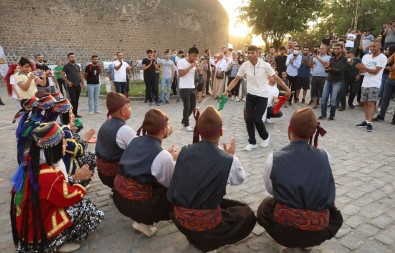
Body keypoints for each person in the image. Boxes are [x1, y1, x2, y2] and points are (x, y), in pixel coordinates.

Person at [167, 105, 256, 252]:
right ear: (221, 131)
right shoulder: (228, 159)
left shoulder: (184, 151)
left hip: (179, 217)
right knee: (247, 214)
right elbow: (239, 180)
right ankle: (209, 241)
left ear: (199, 131)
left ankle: (195, 237)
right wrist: (231, 157)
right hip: (207, 224)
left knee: (222, 203)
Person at [257, 108, 343, 252]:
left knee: (265, 206)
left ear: (289, 129)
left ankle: (288, 243)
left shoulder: (274, 158)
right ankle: (308, 243)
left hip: (285, 230)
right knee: (331, 208)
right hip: (318, 230)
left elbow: (271, 189)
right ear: (313, 132)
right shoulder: (325, 155)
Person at [10, 122, 104, 253]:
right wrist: (80, 183)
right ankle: (55, 243)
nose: (65, 145)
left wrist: (75, 179)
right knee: (85, 209)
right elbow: (67, 197)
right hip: (36, 231)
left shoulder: (35, 166)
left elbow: (58, 188)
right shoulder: (47, 175)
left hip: (31, 225)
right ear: (52, 147)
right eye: (63, 143)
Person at [113, 109, 178, 237]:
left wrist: (166, 155)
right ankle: (144, 221)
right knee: (178, 190)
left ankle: (142, 219)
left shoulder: (134, 140)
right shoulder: (162, 156)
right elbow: (170, 183)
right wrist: (174, 161)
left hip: (118, 197)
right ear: (164, 130)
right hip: (139, 207)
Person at [224, 45, 291, 151]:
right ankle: (252, 142)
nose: (250, 55)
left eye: (252, 53)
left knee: (257, 119)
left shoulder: (265, 65)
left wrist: (287, 89)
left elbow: (276, 78)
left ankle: (265, 137)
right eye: (248, 53)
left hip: (262, 96)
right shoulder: (245, 65)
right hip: (250, 96)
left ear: (257, 53)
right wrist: (227, 90)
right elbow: (236, 79)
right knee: (248, 118)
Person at [95, 92, 136, 190]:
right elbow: (139, 151)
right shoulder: (125, 130)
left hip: (102, 173)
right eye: (129, 107)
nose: (131, 109)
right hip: (115, 174)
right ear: (123, 112)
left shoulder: (105, 124)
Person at [355, 40, 388, 132]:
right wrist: (359, 70)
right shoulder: (366, 57)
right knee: (365, 103)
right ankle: (366, 120)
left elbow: (375, 72)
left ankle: (370, 122)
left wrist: (364, 68)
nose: (372, 48)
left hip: (375, 83)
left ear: (380, 46)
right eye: (371, 46)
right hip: (365, 82)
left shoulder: (382, 57)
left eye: (374, 46)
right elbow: (363, 70)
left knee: (371, 103)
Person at [319, 43, 347, 120]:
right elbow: (327, 71)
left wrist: (330, 69)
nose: (336, 50)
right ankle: (323, 114)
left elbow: (341, 71)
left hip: (338, 81)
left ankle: (332, 115)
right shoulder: (331, 59)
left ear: (341, 49)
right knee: (324, 98)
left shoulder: (344, 59)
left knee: (333, 99)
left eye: (338, 48)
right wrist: (326, 67)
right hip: (328, 80)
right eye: (335, 49)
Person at [178, 46, 200, 132]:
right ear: (189, 54)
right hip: (184, 88)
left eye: (196, 56)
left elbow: (196, 74)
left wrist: (198, 69)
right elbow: (180, 74)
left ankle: (184, 121)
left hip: (192, 87)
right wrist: (191, 66)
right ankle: (187, 124)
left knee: (193, 107)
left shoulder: (194, 62)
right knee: (187, 106)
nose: (195, 58)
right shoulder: (181, 62)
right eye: (194, 56)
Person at [373, 45, 395, 125]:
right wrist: (383, 61)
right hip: (390, 79)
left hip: (391, 78)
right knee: (385, 99)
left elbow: (393, 68)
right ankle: (381, 116)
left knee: (386, 99)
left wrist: (387, 67)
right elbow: (388, 61)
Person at [61, 53, 84, 118]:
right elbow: (62, 74)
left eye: (74, 57)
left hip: (78, 85)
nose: (73, 58)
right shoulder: (66, 66)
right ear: (68, 58)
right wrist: (68, 82)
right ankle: (71, 114)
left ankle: (75, 114)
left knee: (76, 100)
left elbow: (80, 75)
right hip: (71, 86)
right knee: (73, 100)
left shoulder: (77, 66)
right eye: (71, 57)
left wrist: (83, 83)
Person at [308, 44, 331, 109]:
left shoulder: (328, 57)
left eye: (322, 48)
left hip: (323, 76)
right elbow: (310, 65)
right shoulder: (316, 57)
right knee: (314, 90)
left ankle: (323, 103)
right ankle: (315, 104)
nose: (320, 50)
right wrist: (312, 58)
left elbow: (325, 64)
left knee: (323, 91)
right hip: (315, 76)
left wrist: (318, 58)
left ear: (326, 50)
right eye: (320, 48)